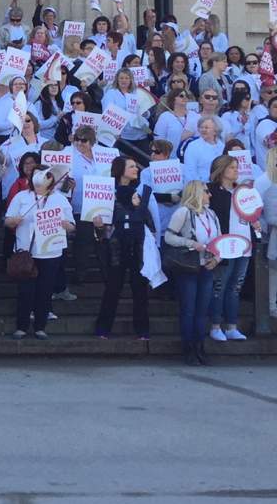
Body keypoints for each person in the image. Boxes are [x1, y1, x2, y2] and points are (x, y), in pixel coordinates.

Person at [5, 171, 75, 339]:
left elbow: (72, 225)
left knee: (45, 291)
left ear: (50, 181)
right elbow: (7, 220)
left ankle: (40, 327)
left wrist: (66, 225)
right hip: (26, 251)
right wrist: (13, 221)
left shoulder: (59, 199)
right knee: (25, 291)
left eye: (41, 180)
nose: (37, 184)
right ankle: (21, 326)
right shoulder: (22, 197)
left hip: (50, 252)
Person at [94, 156, 154, 339]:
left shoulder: (142, 193)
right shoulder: (107, 193)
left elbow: (149, 220)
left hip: (138, 247)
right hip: (116, 248)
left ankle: (142, 330)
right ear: (120, 169)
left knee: (140, 290)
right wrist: (98, 227)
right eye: (131, 166)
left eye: (136, 165)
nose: (136, 169)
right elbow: (103, 227)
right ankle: (103, 328)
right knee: (112, 288)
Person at [164, 180, 219, 365]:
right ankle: (189, 349)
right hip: (189, 266)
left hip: (207, 265)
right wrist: (190, 243)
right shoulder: (183, 212)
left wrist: (217, 259)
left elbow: (219, 239)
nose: (209, 194)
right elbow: (169, 236)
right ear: (196, 193)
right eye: (206, 191)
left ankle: (200, 347)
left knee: (202, 311)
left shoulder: (211, 214)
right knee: (189, 309)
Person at [206, 154, 255, 343]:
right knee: (219, 286)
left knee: (235, 287)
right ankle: (215, 326)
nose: (236, 171)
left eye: (237, 167)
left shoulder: (243, 191)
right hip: (224, 246)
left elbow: (250, 212)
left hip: (244, 246)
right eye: (232, 167)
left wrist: (254, 223)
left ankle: (232, 327)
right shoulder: (212, 190)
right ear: (222, 169)